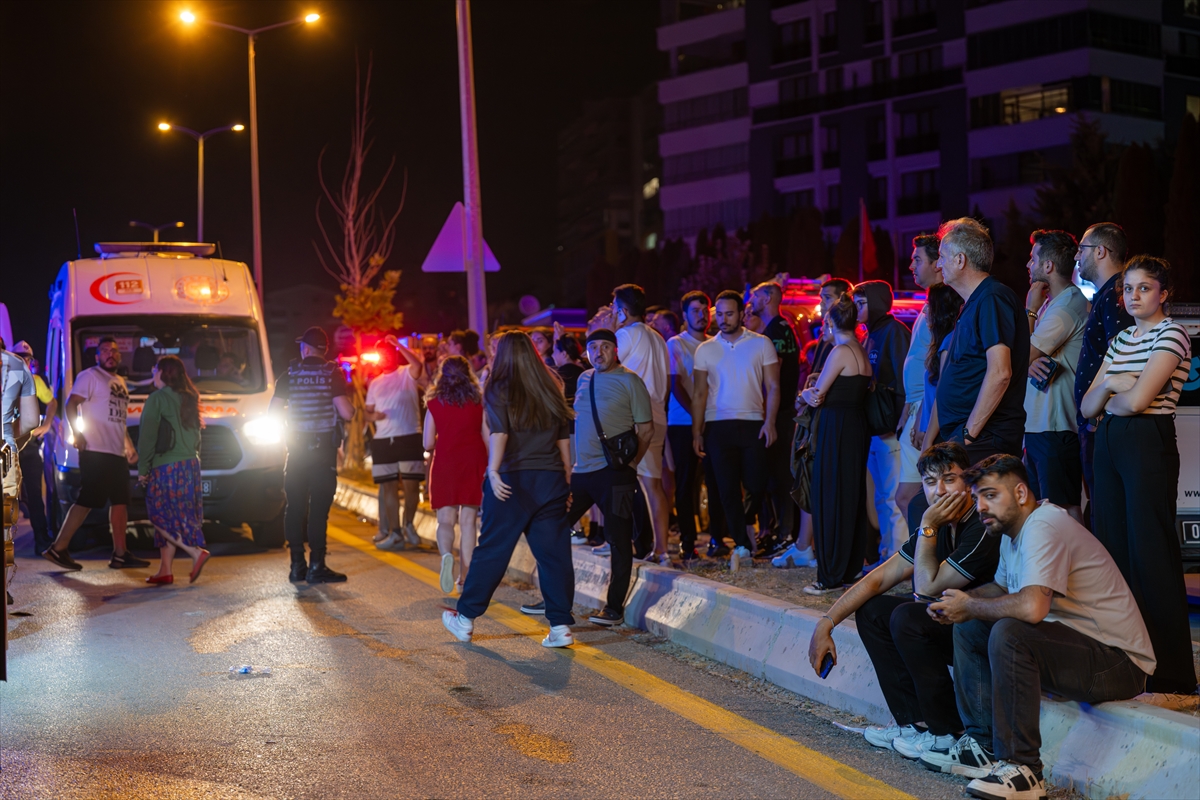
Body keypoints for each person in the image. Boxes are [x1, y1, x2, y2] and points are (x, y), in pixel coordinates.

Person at [927, 456, 1155, 800]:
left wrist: (970, 605)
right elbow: (1004, 590)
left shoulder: (1044, 525)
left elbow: (1033, 607)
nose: (981, 507)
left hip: (1120, 663)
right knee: (972, 625)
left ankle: (1024, 771)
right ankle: (983, 747)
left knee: (1009, 633)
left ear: (1020, 493)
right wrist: (962, 602)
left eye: (990, 495)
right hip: (1083, 649)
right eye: (977, 499)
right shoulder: (1012, 530)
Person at [808, 442, 999, 759]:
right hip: (958, 624)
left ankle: (948, 731)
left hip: (986, 635)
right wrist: (826, 623)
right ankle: (915, 724)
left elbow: (925, 590)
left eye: (949, 479)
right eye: (929, 482)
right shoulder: (938, 523)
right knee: (872, 611)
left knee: (909, 618)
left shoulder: (979, 525)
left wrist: (927, 527)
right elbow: (878, 579)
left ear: (969, 481)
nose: (939, 491)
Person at [1081, 255, 1196, 696]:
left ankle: (1172, 674)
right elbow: (1089, 406)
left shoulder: (1174, 334)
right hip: (1110, 442)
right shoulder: (1122, 337)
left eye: (1144, 288)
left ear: (1164, 293)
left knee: (1152, 556)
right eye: (1127, 289)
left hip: (1147, 441)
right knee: (1114, 554)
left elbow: (1139, 401)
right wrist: (1115, 384)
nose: (1133, 296)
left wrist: (1112, 388)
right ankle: (1127, 663)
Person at [442, 331, 576, 648]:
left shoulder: (499, 385)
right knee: (554, 554)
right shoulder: (552, 384)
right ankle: (560, 627)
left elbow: (499, 433)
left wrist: (492, 470)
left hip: (511, 479)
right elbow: (563, 438)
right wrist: (567, 480)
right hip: (550, 478)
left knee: (492, 550)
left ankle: (465, 619)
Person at [566, 329, 654, 626]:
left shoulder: (630, 380)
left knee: (618, 539)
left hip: (616, 474)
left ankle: (613, 608)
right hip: (582, 474)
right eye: (593, 347)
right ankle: (556, 599)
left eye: (605, 346)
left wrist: (630, 466)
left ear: (616, 350)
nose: (599, 352)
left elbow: (646, 430)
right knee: (552, 527)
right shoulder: (583, 378)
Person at [42, 338, 149, 571]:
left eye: (114, 351)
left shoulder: (119, 381)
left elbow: (118, 421)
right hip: (96, 451)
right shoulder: (90, 376)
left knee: (121, 502)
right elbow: (71, 404)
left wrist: (129, 446)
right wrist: (77, 434)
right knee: (88, 500)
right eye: (104, 351)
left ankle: (120, 554)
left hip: (116, 453)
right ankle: (57, 548)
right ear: (97, 356)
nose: (110, 354)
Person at [693, 290, 781, 569]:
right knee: (726, 489)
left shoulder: (761, 343)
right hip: (717, 424)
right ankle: (742, 545)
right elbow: (698, 394)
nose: (723, 319)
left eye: (729, 313)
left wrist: (770, 421)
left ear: (742, 313)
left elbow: (774, 386)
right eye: (718, 314)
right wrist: (697, 432)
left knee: (756, 483)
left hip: (754, 421)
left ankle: (745, 524)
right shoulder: (705, 348)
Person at [935, 218, 1029, 462]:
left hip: (985, 437)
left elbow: (1000, 372)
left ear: (960, 260)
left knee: (923, 501)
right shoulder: (976, 301)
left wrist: (969, 434)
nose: (938, 264)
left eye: (942, 256)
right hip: (972, 435)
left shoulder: (992, 298)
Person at [269, 327, 355, 583]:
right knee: (318, 510)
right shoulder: (332, 374)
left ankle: (297, 566)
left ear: (306, 348)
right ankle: (317, 566)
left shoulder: (290, 375)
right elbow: (347, 413)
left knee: (294, 508)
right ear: (324, 349)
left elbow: (272, 412)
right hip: (322, 452)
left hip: (295, 450)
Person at [800, 298, 871, 593]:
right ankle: (850, 569)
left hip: (835, 429)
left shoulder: (839, 350)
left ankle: (829, 575)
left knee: (830, 496)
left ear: (829, 322)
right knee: (851, 496)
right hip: (856, 427)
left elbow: (818, 396)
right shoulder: (861, 350)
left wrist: (805, 393)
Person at [1022, 230, 1087, 523]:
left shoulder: (1067, 305)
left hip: (1056, 425)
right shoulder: (1056, 303)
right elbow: (1025, 358)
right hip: (1042, 424)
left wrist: (1030, 309)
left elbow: (1020, 355)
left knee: (1062, 510)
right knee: (1044, 509)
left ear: (1048, 266)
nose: (1028, 264)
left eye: (1033, 258)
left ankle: (1074, 569)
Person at [605, 284, 672, 563]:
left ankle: (618, 543)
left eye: (613, 308)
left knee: (618, 482)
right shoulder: (657, 337)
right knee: (653, 485)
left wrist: (607, 331)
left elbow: (605, 367)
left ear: (622, 311)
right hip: (657, 413)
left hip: (632, 417)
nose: (611, 312)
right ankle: (662, 549)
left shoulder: (623, 335)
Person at [1071, 222, 1132, 523]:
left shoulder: (1115, 294)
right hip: (1096, 422)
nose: (1076, 258)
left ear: (1100, 251)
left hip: (1101, 423)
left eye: (1081, 250)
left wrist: (1098, 415)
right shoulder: (1107, 294)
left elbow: (1120, 356)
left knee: (1106, 514)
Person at [137, 356, 211, 585]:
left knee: (159, 516)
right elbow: (198, 436)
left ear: (162, 373)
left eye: (154, 369)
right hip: (190, 466)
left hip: (166, 466)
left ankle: (195, 552)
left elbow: (147, 437)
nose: (152, 373)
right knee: (177, 515)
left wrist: (143, 468)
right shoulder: (189, 397)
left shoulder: (157, 399)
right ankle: (165, 570)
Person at [854, 280, 912, 564]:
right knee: (880, 498)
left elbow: (905, 381)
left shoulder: (894, 332)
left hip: (891, 429)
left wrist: (902, 421)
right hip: (874, 429)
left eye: (861, 303)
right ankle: (886, 554)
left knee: (892, 498)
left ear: (876, 302)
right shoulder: (869, 335)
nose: (856, 309)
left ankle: (898, 558)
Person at [667, 291, 727, 561]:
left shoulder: (717, 343)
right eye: (695, 311)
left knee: (717, 480)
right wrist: (696, 416)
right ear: (685, 315)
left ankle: (718, 538)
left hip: (715, 421)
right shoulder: (676, 344)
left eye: (705, 310)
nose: (701, 315)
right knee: (686, 483)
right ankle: (688, 541)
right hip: (682, 423)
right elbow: (675, 384)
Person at [423, 355, 488, 594]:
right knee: (469, 522)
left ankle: (446, 555)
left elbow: (428, 443)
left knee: (445, 520)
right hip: (473, 462)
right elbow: (486, 435)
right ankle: (464, 578)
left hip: (446, 463)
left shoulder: (434, 402)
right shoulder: (479, 401)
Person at [749, 281, 802, 558]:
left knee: (780, 476)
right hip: (779, 412)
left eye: (755, 295)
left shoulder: (775, 331)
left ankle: (785, 534)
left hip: (778, 413)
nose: (751, 299)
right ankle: (782, 532)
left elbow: (773, 379)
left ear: (768, 298)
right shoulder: (781, 328)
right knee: (776, 475)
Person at [366, 335, 428, 551]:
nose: (383, 358)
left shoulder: (406, 373)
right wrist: (374, 418)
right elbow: (368, 412)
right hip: (383, 440)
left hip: (409, 436)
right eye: (380, 355)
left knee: (412, 487)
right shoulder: (375, 383)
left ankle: (409, 524)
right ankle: (395, 533)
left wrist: (398, 344)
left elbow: (418, 364)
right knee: (388, 488)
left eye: (387, 354)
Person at [896, 235, 942, 522]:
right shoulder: (929, 304)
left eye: (917, 259)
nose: (911, 265)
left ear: (938, 263)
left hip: (925, 408)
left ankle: (926, 559)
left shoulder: (942, 305)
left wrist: (924, 412)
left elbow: (937, 364)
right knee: (909, 497)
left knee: (912, 497)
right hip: (916, 405)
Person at [10, 341, 56, 555]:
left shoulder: (36, 381)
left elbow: (53, 402)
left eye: (27, 357)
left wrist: (46, 425)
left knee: (36, 495)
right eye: (19, 356)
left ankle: (41, 539)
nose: (23, 360)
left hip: (29, 446)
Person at [915, 285, 965, 454]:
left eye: (929, 305)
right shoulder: (943, 342)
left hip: (942, 432)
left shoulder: (949, 342)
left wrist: (928, 439)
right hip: (937, 429)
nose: (925, 311)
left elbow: (942, 396)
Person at [811, 278, 853, 372]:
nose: (821, 303)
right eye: (821, 298)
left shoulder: (847, 340)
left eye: (828, 297)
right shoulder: (824, 337)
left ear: (843, 300)